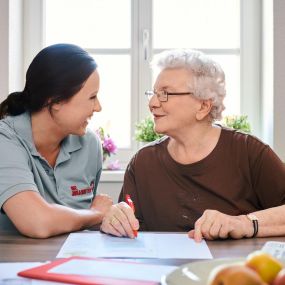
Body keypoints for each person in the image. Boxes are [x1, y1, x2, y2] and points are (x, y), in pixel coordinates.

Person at [100, 49, 285, 241]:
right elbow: (127, 230)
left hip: (229, 270)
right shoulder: (142, 163)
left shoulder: (249, 152)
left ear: (203, 106)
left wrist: (244, 223)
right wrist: (114, 221)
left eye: (165, 94)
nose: (153, 103)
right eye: (154, 93)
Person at [0, 43, 113, 238]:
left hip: (71, 262)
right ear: (56, 100)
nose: (98, 107)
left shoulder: (90, 144)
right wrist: (96, 213)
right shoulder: (5, 140)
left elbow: (81, 221)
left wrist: (110, 217)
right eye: (92, 97)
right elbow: (37, 222)